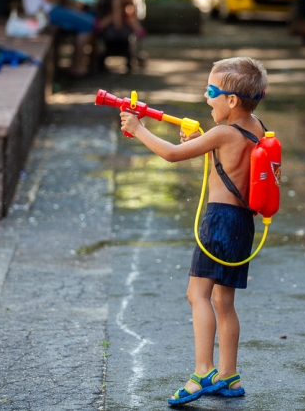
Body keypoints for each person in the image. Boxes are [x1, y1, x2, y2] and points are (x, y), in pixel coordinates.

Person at [119, 57, 268, 406]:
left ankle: (203, 370)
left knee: (197, 294)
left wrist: (138, 129)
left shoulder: (222, 133)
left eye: (211, 91)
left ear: (231, 100)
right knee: (223, 301)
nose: (206, 97)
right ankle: (229, 376)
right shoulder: (256, 126)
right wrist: (202, 140)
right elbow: (231, 160)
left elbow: (172, 154)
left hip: (218, 221)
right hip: (242, 222)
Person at [22, 0, 94, 77]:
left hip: (50, 10)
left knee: (90, 17)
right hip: (43, 14)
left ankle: (79, 65)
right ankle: (77, 66)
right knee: (88, 23)